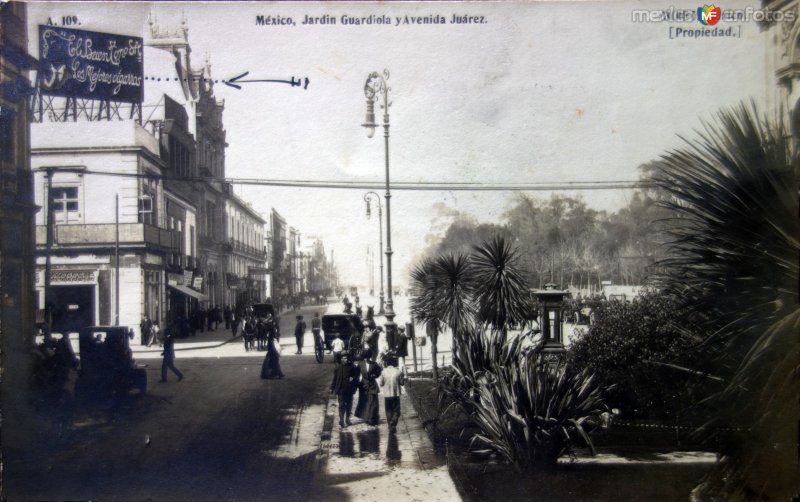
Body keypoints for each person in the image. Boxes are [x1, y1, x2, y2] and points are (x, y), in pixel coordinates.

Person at [330, 353, 360, 427]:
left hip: (349, 389)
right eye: (343, 358)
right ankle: (341, 420)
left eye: (346, 358)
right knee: (341, 405)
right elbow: (335, 378)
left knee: (349, 404)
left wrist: (353, 378)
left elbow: (356, 376)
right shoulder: (338, 367)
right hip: (340, 389)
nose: (345, 360)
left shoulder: (352, 367)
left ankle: (347, 419)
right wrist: (332, 388)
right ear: (341, 359)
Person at [354, 350, 382, 426]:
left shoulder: (374, 364)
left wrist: (375, 375)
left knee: (373, 401)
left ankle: (372, 418)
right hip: (363, 385)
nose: (366, 359)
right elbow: (356, 373)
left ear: (369, 357)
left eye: (368, 358)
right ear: (363, 358)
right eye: (365, 358)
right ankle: (366, 417)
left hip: (372, 385)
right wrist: (356, 383)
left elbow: (379, 371)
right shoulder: (360, 364)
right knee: (365, 401)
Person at [379, 353, 405, 433]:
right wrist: (402, 377)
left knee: (388, 410)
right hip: (396, 394)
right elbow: (401, 383)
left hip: (387, 395)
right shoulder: (398, 372)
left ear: (386, 363)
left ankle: (390, 424)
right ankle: (393, 422)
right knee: (397, 410)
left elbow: (381, 383)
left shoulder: (383, 372)